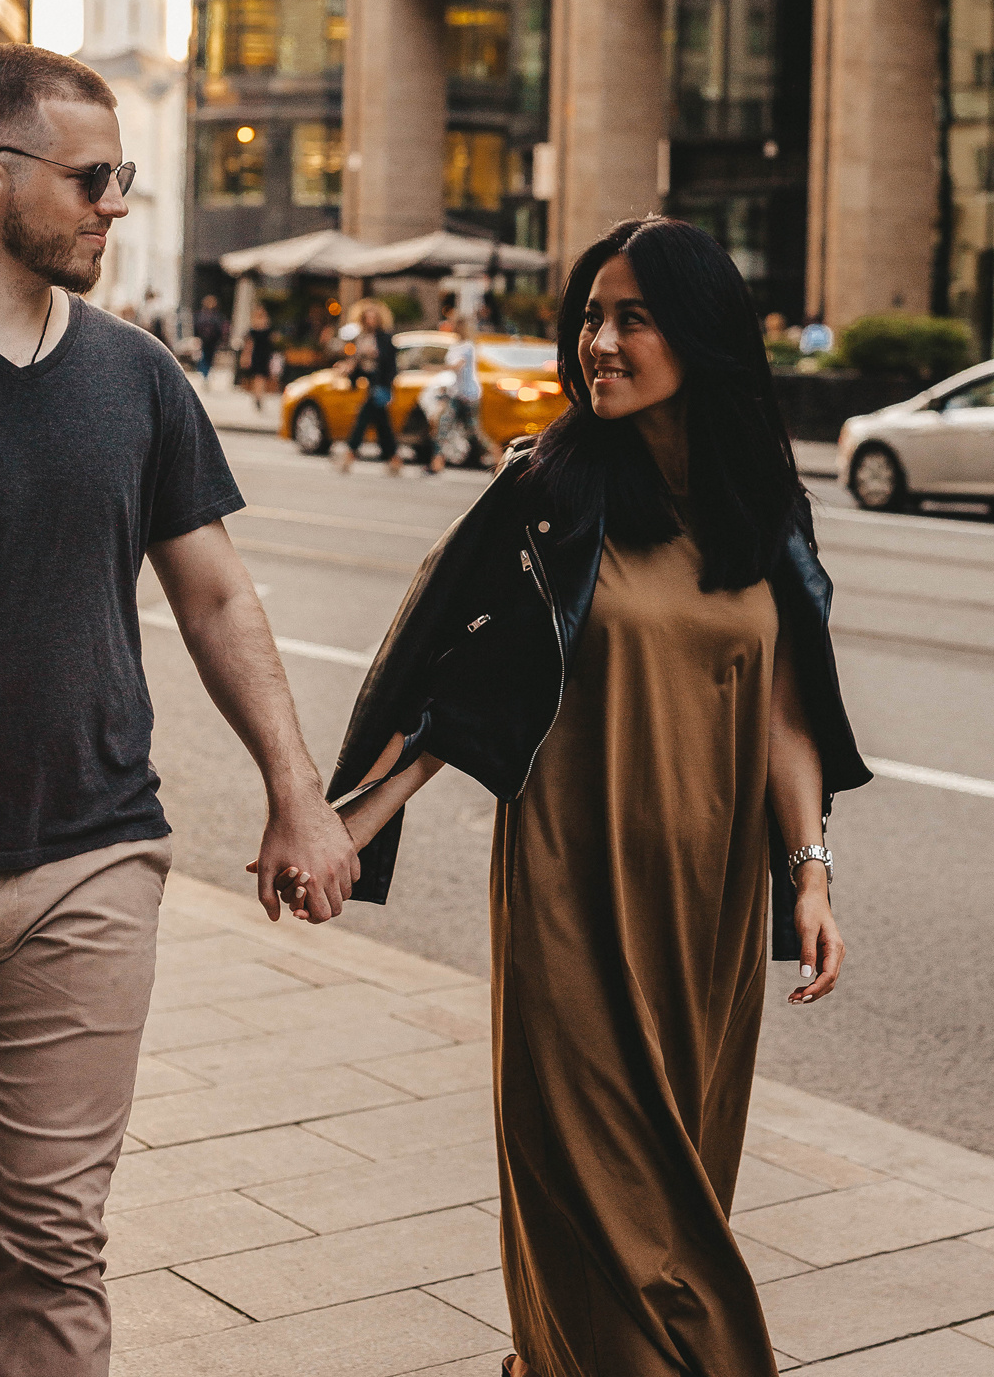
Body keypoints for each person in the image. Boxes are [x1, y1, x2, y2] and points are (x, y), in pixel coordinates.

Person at [324, 215, 871, 1377]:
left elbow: (785, 705)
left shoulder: (761, 510)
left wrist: (809, 871)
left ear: (702, 337)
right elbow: (459, 680)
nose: (598, 342)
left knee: (675, 1190)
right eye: (588, 315)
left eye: (631, 316)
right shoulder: (549, 493)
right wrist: (354, 817)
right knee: (612, 1209)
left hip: (707, 907)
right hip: (571, 887)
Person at [0, 44, 359, 1377]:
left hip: (87, 858)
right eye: (92, 176)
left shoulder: (137, 377)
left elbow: (216, 600)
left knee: (50, 1239)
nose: (114, 203)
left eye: (121, 176)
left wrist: (295, 791)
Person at [338, 302, 403, 475]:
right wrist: (349, 369)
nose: (371, 320)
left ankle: (349, 454)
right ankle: (394, 459)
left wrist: (388, 387)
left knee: (363, 420)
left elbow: (391, 365)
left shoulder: (385, 338)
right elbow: (358, 363)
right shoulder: (362, 337)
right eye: (368, 317)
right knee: (383, 426)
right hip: (370, 384)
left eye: (374, 317)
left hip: (380, 384)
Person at [444, 314, 493, 468]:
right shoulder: (456, 345)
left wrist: (435, 368)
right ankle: (436, 462)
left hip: (469, 394)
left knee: (474, 432)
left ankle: (498, 457)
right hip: (456, 393)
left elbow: (457, 366)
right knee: (444, 427)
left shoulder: (467, 347)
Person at [240, 301, 276, 410]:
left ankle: (258, 396)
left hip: (258, 355)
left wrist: (246, 356)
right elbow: (272, 341)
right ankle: (259, 396)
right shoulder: (266, 329)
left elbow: (248, 345)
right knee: (260, 378)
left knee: (258, 377)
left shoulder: (254, 329)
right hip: (263, 355)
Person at [194, 292, 225, 381]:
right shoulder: (200, 314)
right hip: (203, 339)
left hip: (213, 340)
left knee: (209, 357)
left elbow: (219, 328)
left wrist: (220, 339)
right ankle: (203, 373)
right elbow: (196, 326)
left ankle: (206, 374)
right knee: (202, 356)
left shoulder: (217, 316)